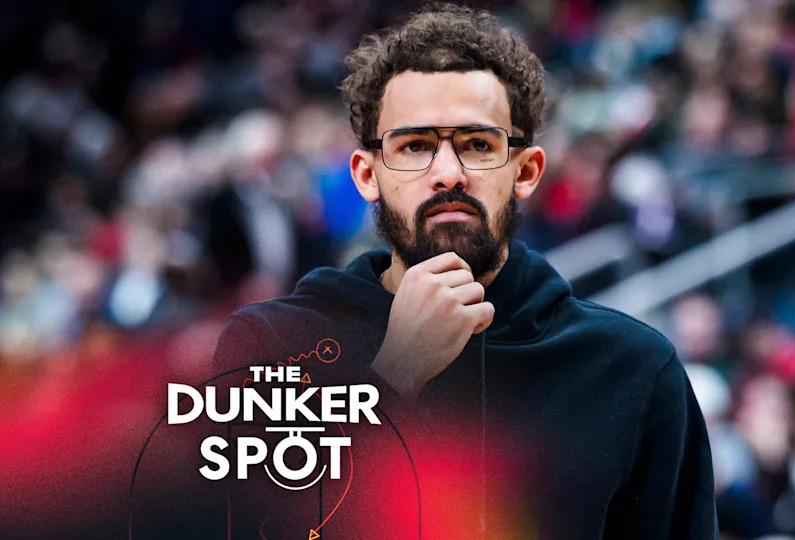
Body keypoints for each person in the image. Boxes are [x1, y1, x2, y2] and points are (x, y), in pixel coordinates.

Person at [213, 5, 717, 538]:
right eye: (414, 147)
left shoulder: (632, 368)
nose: (448, 174)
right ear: (366, 175)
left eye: (478, 145)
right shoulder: (270, 348)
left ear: (525, 172)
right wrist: (393, 376)